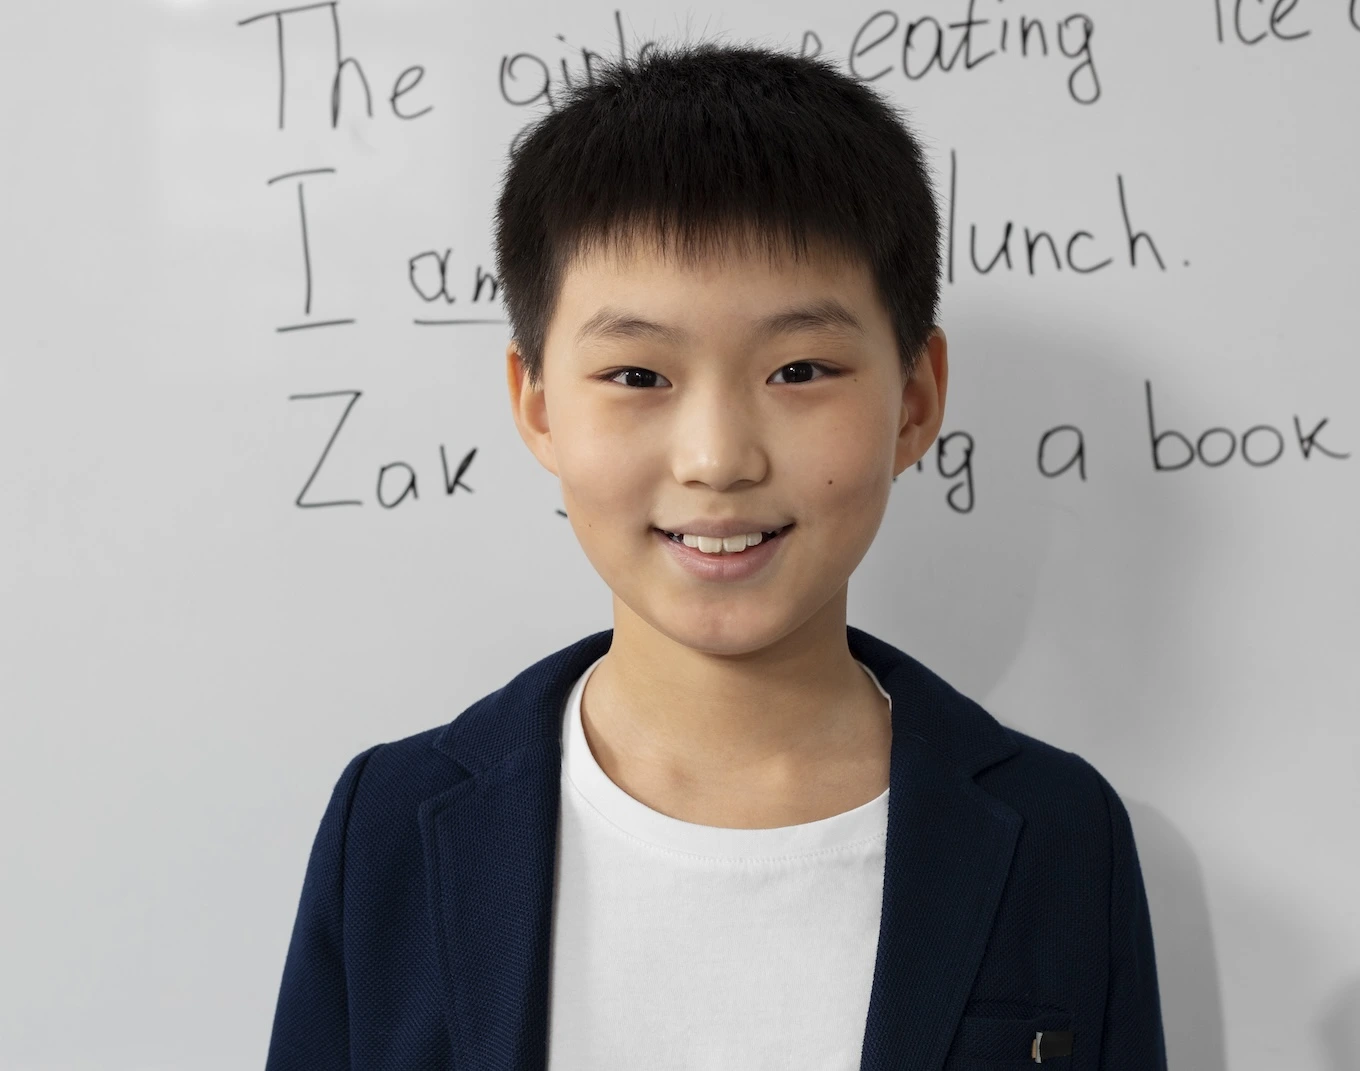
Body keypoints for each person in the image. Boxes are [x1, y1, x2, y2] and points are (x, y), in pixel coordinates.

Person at [265, 40, 1168, 1071]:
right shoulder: (387, 827)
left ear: (915, 401)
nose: (718, 458)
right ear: (538, 404)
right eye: (638, 375)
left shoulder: (1061, 835)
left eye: (800, 370)